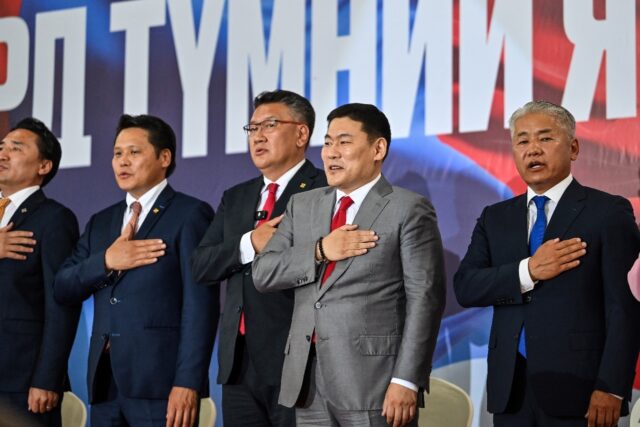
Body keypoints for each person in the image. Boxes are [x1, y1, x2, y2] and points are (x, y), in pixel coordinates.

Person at [252, 103, 446, 426]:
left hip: (374, 383)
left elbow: (425, 299)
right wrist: (319, 250)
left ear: (378, 148)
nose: (331, 153)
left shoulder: (408, 209)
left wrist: (407, 379)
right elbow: (263, 273)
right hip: (307, 382)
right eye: (327, 143)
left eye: (343, 142)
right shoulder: (303, 205)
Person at [454, 101, 640, 427]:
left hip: (581, 391)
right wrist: (528, 271)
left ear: (574, 147)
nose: (533, 150)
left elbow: (624, 309)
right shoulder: (495, 218)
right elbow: (466, 287)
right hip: (510, 390)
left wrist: (611, 387)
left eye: (545, 138)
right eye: (522, 141)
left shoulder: (608, 212)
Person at [54, 114, 218, 427]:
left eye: (134, 152)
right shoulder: (101, 221)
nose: (122, 161)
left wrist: (188, 382)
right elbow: (63, 287)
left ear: (164, 157)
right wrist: (105, 261)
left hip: (161, 383)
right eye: (117, 153)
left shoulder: (190, 214)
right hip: (105, 380)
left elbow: (200, 306)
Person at [190, 89, 327, 426]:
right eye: (252, 129)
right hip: (238, 362)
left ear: (301, 133)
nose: (258, 137)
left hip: (297, 359)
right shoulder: (236, 197)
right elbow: (201, 265)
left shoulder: (325, 189)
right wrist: (249, 242)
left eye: (270, 125)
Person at [0, 118, 80, 427]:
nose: (3, 154)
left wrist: (48, 378)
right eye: (1, 147)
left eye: (16, 148)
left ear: (44, 165)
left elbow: (61, 303)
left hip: (21, 381)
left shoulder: (53, 219)